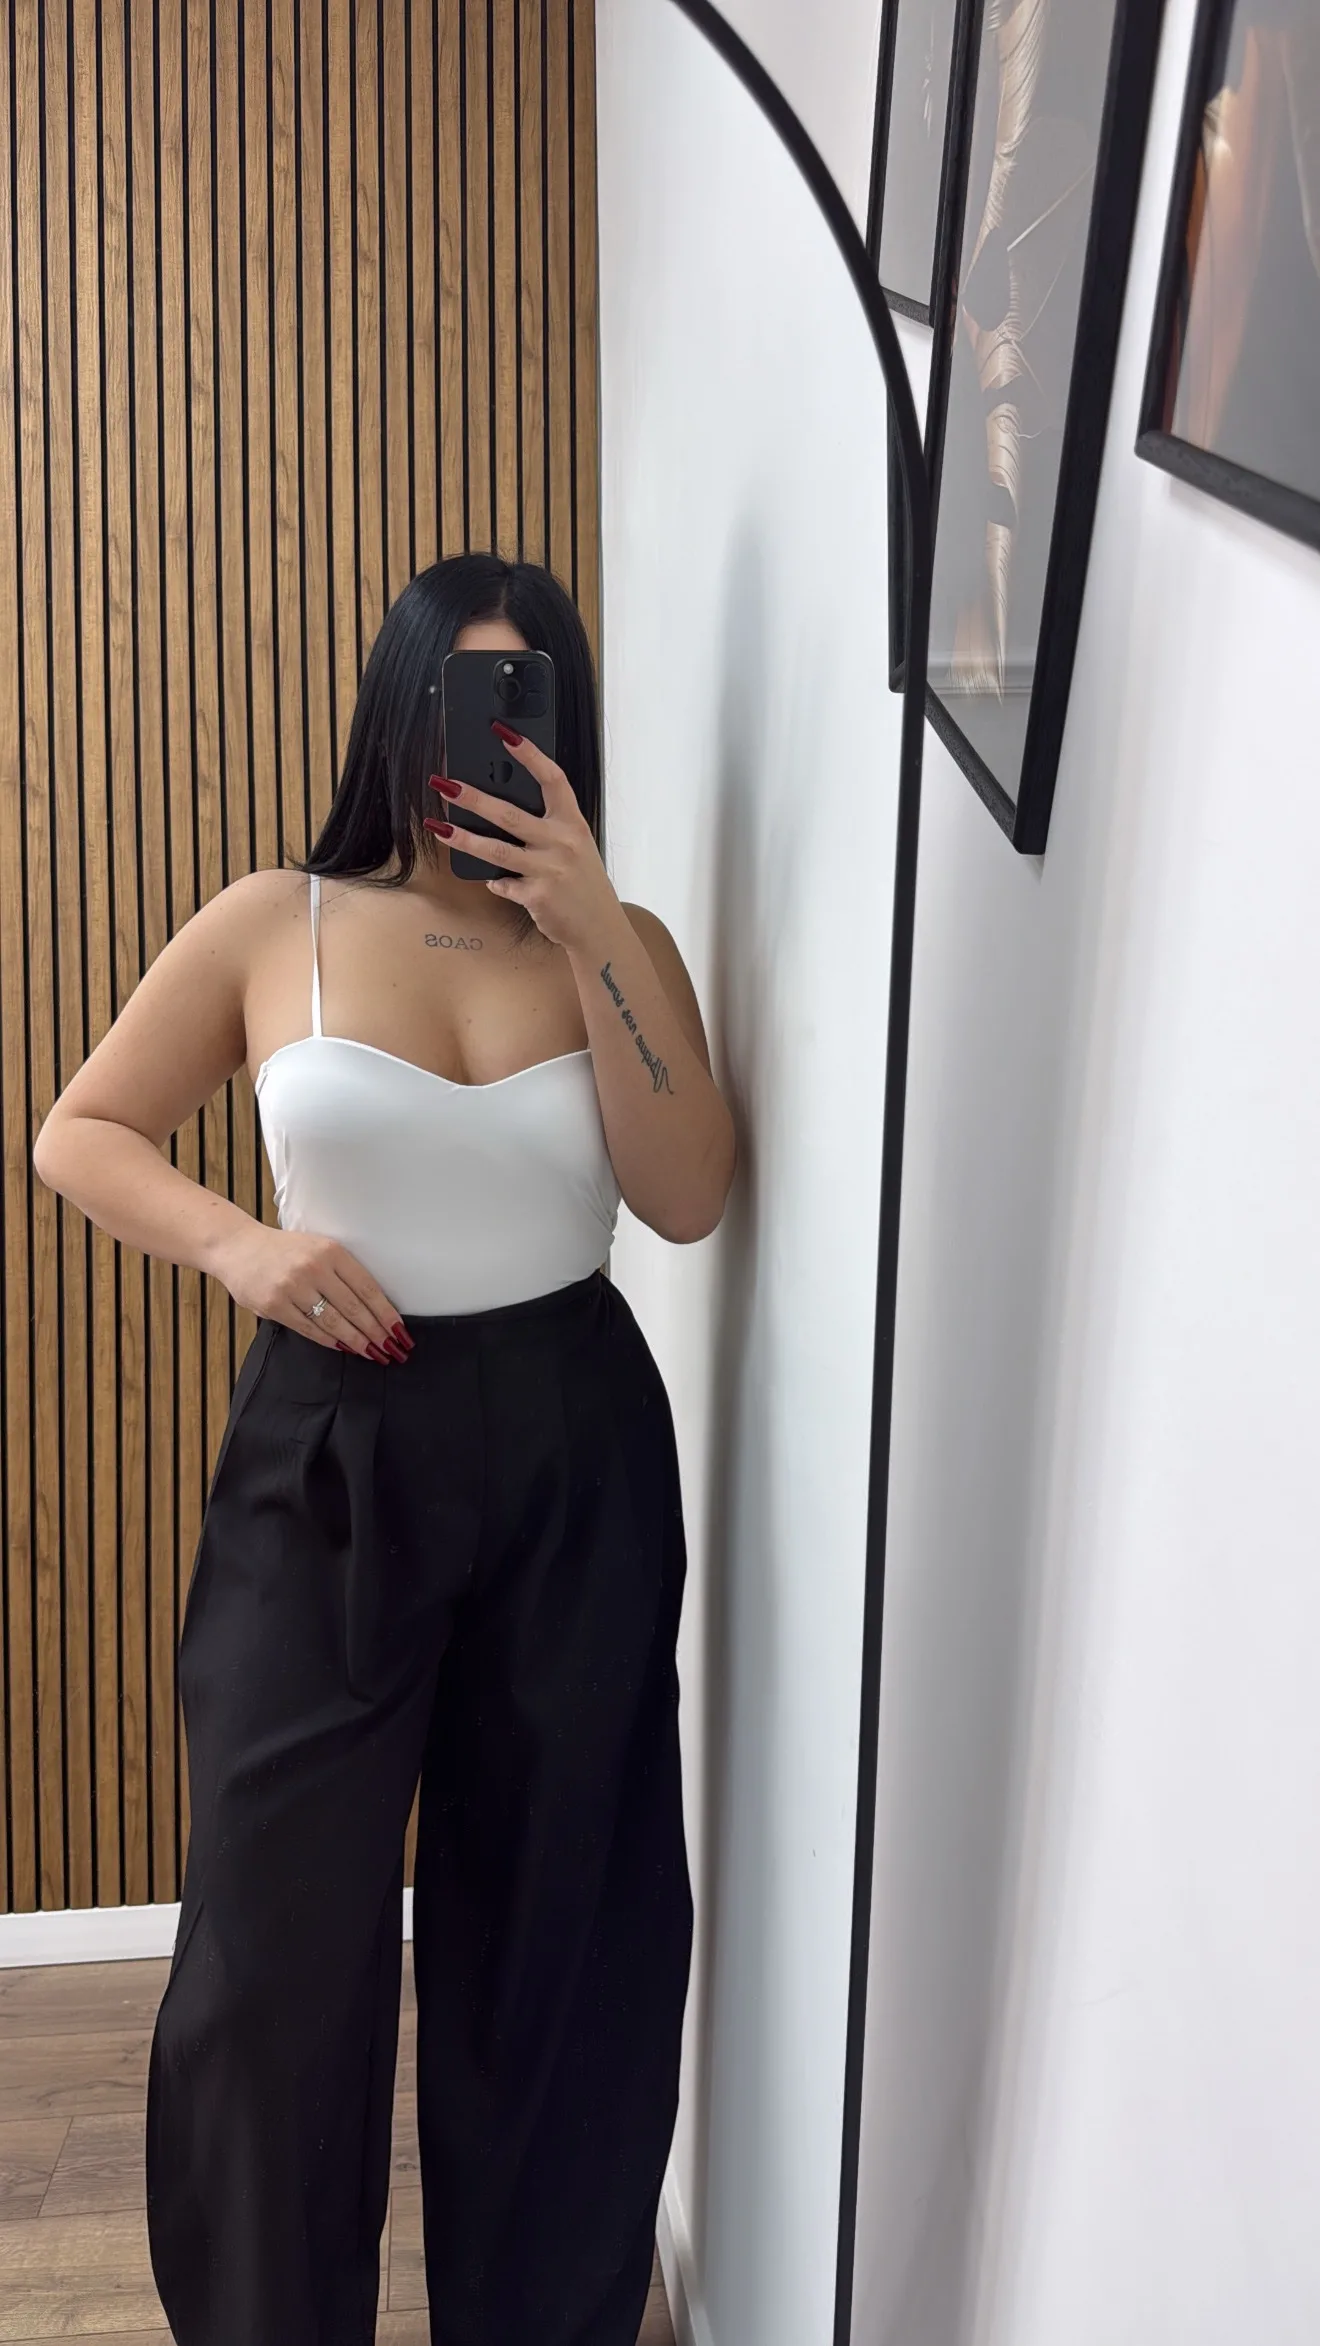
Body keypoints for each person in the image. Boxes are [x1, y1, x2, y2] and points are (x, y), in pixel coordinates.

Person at [31, 551, 737, 2346]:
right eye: (454, 698)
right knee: (273, 1949)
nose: (483, 742)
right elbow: (81, 1130)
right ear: (396, 709)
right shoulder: (278, 921)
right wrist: (243, 1248)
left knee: (563, 1931)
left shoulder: (621, 946)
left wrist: (594, 927)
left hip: (574, 1448)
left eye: (523, 703)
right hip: (332, 1451)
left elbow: (687, 1192)